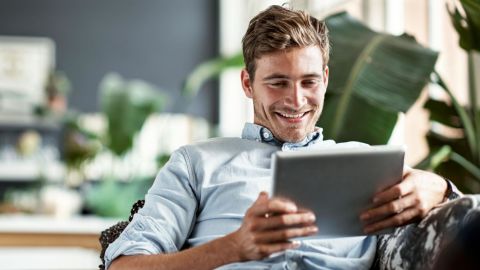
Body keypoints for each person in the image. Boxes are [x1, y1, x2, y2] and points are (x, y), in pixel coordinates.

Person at [105, 5, 459, 270]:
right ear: (248, 83)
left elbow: (451, 219)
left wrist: (440, 188)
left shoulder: (365, 161)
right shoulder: (197, 162)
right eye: (277, 83)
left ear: (325, 78)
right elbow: (123, 266)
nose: (296, 100)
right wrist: (233, 247)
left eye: (309, 82)